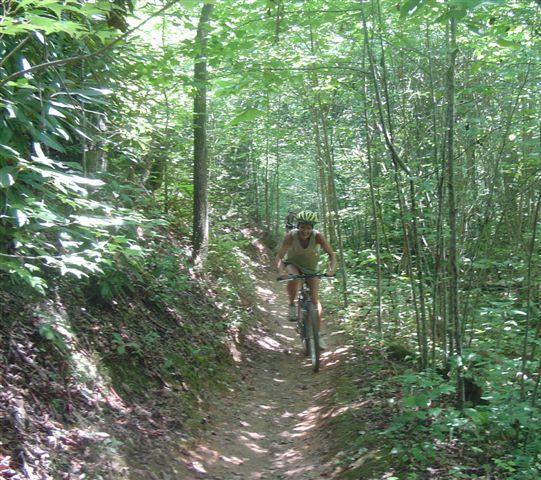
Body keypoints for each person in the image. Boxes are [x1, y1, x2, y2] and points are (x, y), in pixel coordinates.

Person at [275, 211, 336, 349]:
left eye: (308, 228)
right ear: (298, 226)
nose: (305, 231)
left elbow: (332, 255)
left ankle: (318, 335)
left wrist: (331, 270)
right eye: (302, 227)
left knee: (315, 301)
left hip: (311, 269)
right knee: (294, 278)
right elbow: (279, 257)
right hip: (292, 264)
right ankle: (291, 304)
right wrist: (281, 272)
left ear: (312, 228)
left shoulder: (318, 236)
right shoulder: (291, 236)